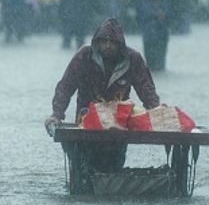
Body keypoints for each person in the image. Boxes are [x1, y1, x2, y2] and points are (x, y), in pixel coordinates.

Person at [44, 18, 160, 184]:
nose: (107, 46)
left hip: (117, 126)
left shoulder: (133, 59)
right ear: (96, 42)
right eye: (103, 41)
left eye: (112, 42)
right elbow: (65, 87)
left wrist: (156, 113)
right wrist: (57, 113)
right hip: (87, 124)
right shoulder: (84, 56)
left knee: (113, 170)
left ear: (120, 44)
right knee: (83, 172)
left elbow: (146, 90)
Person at [136, 0, 174, 71]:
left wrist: (164, 14)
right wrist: (156, 14)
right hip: (149, 34)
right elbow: (142, 12)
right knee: (150, 60)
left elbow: (170, 11)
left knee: (161, 59)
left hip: (162, 33)